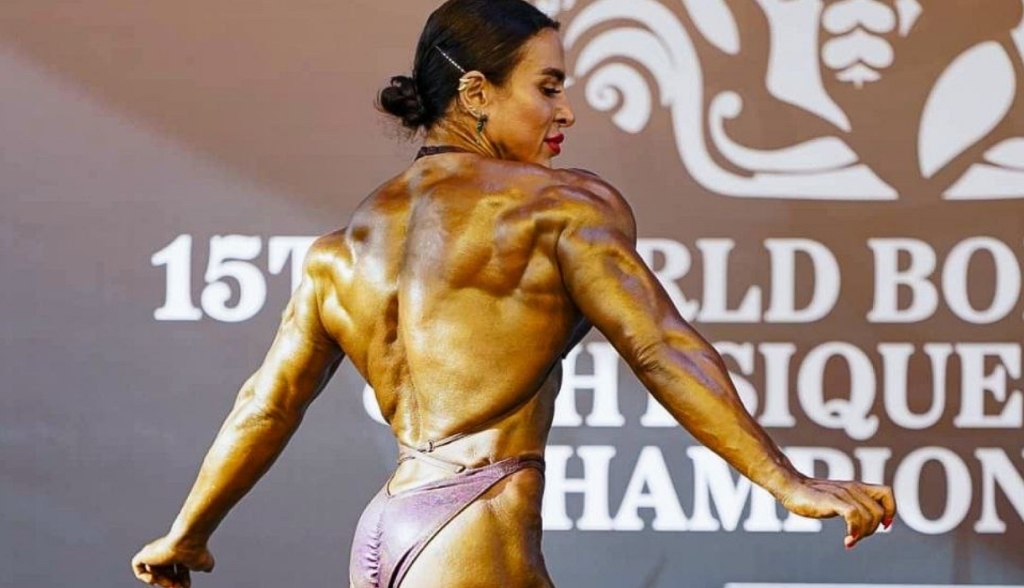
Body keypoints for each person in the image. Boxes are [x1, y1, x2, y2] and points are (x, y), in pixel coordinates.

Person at [131, 1, 897, 586]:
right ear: (476, 92)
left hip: (386, 533)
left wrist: (187, 534)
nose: (566, 111)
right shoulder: (558, 207)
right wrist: (787, 482)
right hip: (473, 528)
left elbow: (267, 404)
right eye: (548, 86)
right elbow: (658, 345)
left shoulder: (341, 249)